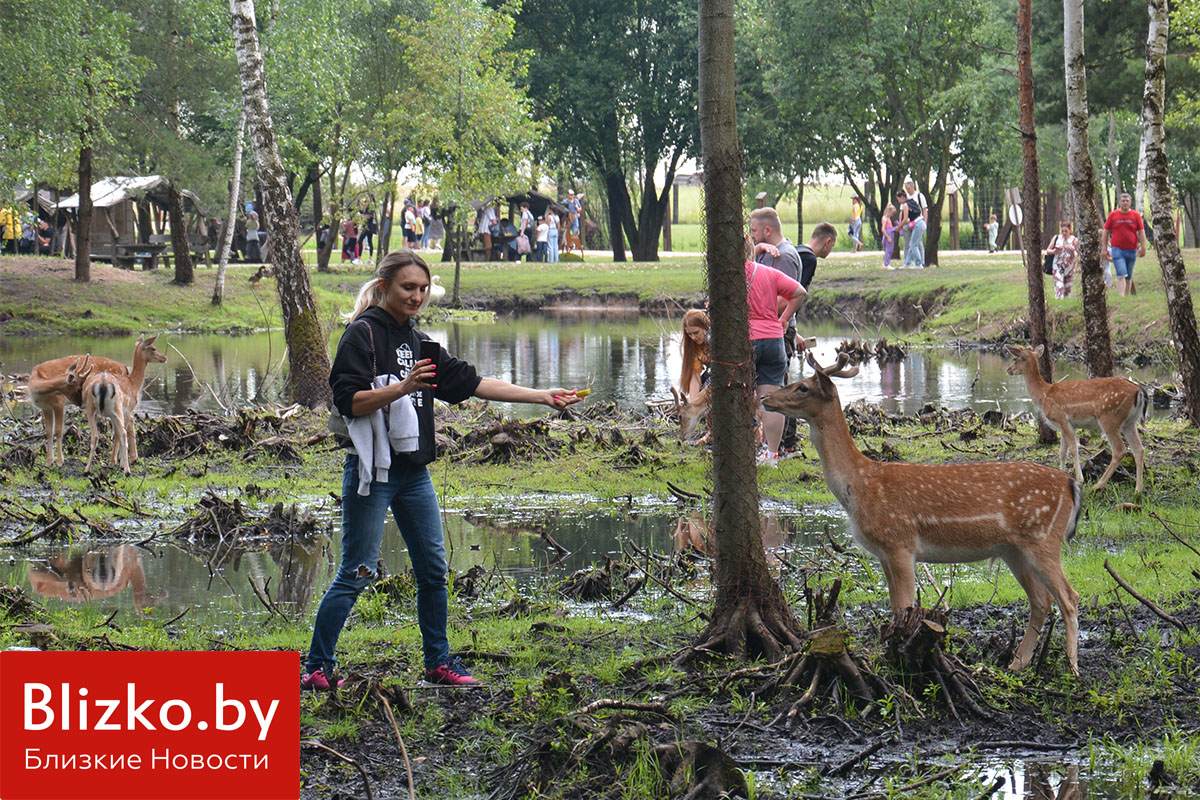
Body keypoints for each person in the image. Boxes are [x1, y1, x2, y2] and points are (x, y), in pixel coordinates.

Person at [302, 249, 582, 691]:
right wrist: (404, 387)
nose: (416, 296)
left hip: (413, 471)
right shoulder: (362, 335)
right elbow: (348, 402)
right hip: (372, 470)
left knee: (433, 569)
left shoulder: (420, 340)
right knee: (357, 571)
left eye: (422, 289)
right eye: (407, 288)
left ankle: (438, 663)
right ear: (384, 288)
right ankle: (317, 668)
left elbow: (470, 382)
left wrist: (541, 395)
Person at [745, 234, 807, 467]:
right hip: (773, 339)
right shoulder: (768, 272)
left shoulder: (730, 275)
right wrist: (784, 318)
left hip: (745, 340)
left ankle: (744, 446)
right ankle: (772, 455)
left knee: (742, 394)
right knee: (771, 398)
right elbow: (800, 292)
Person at [1101, 192, 1147, 297]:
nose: (1125, 203)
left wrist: (1143, 247)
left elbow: (1141, 232)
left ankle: (1126, 298)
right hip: (1117, 249)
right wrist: (1104, 248)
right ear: (1119, 202)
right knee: (1121, 273)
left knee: (1129, 276)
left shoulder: (1136, 216)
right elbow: (1106, 232)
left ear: (1130, 202)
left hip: (1132, 250)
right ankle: (1121, 296)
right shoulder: (1113, 215)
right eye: (1123, 201)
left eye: (1127, 201)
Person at [679, 309, 710, 400]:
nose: (693, 337)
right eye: (689, 334)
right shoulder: (695, 348)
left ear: (705, 327)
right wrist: (693, 401)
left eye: (696, 333)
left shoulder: (716, 341)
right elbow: (695, 377)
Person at [1045, 220, 1078, 299]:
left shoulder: (1074, 240)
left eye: (1066, 231)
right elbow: (1048, 250)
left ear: (1070, 230)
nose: (1064, 233)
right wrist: (1054, 251)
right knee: (1059, 286)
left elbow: (1079, 252)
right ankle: (1059, 300)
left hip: (1069, 267)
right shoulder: (1056, 238)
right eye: (1062, 231)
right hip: (1057, 265)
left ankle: (1066, 304)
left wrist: (1079, 263)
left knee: (1068, 288)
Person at [903, 179, 928, 268]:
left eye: (908, 188)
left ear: (912, 186)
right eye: (906, 188)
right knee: (910, 243)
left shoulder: (919, 196)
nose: (907, 190)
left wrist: (925, 223)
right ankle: (907, 262)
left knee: (916, 243)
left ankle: (920, 262)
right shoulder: (906, 198)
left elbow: (925, 210)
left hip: (918, 222)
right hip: (910, 223)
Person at [881, 204, 897, 269]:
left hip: (891, 233)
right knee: (888, 250)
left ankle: (888, 263)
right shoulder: (884, 218)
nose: (892, 215)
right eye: (892, 214)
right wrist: (888, 237)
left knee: (890, 250)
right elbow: (883, 229)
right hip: (888, 235)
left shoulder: (888, 218)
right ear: (889, 211)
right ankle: (886, 264)